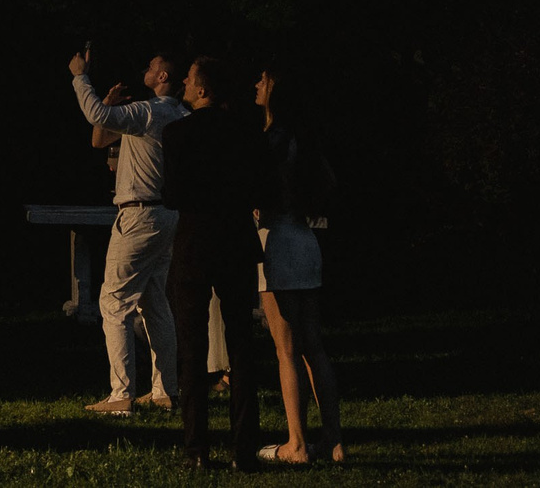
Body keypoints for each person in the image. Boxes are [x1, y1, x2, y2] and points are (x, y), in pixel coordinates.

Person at [160, 55, 280, 470]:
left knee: (191, 350)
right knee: (241, 347)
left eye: (190, 81)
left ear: (203, 89)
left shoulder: (176, 134)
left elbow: (172, 195)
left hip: (195, 244)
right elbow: (264, 189)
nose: (184, 87)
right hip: (235, 242)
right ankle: (244, 449)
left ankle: (196, 449)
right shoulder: (248, 134)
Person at [71, 47, 187, 415]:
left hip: (139, 215)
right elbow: (99, 139)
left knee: (114, 302)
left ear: (163, 77)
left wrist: (80, 77)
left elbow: (95, 115)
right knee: (155, 302)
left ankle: (121, 394)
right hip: (166, 214)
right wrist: (107, 103)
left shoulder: (149, 111)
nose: (146, 67)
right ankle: (164, 390)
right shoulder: (178, 115)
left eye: (152, 64)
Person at [252, 66, 343, 466]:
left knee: (285, 349)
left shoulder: (272, 140)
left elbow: (254, 185)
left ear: (276, 91)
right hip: (306, 240)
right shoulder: (306, 140)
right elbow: (328, 183)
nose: (257, 85)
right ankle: (334, 441)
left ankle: (296, 443)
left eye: (264, 80)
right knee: (314, 347)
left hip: (278, 241)